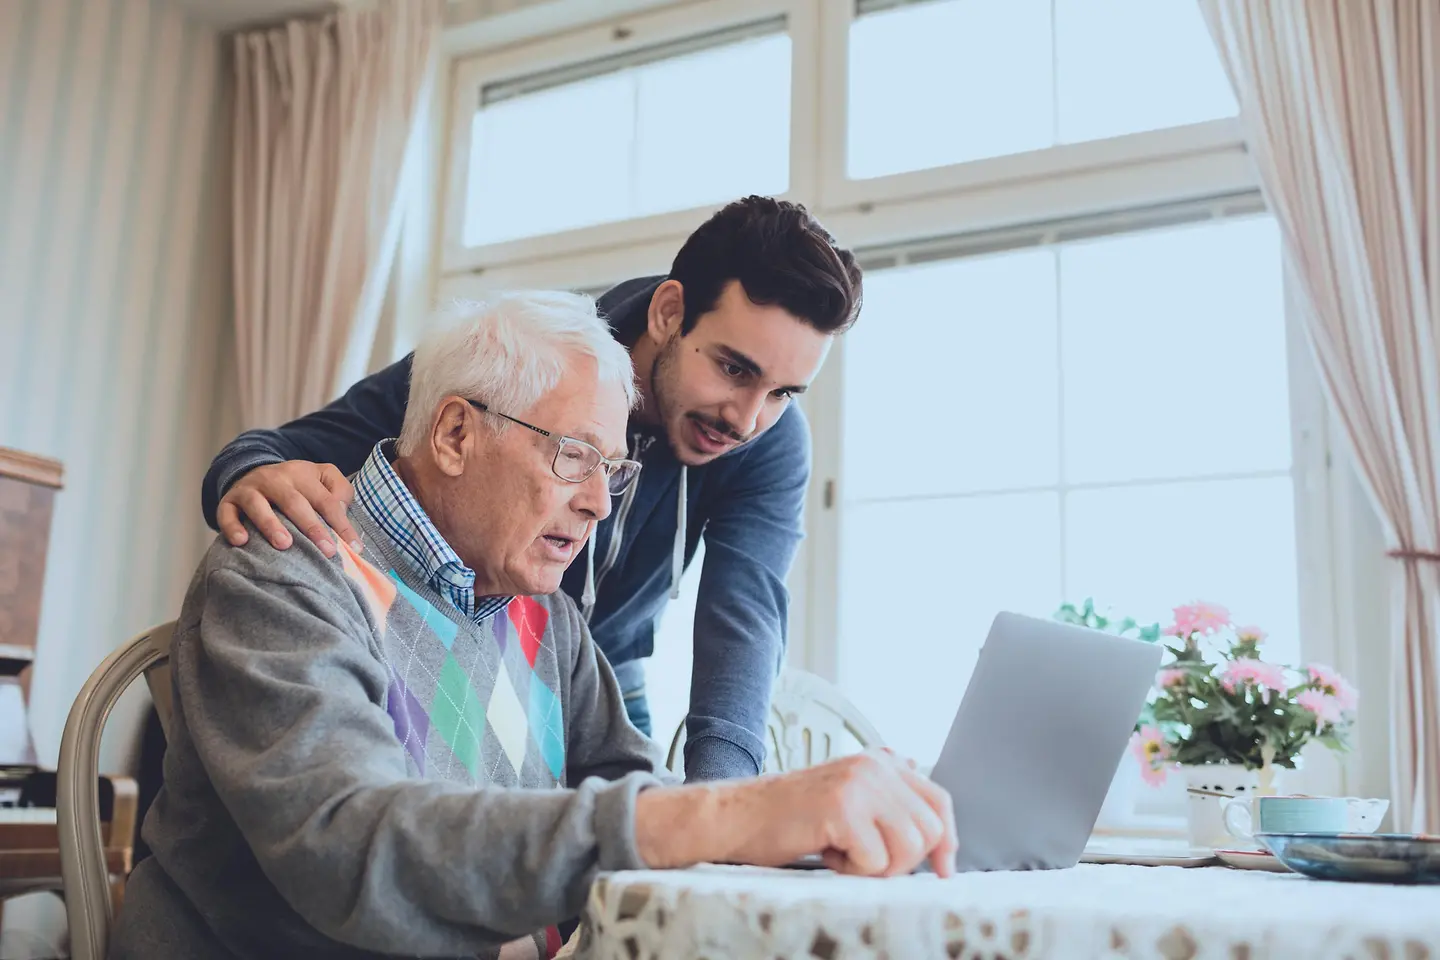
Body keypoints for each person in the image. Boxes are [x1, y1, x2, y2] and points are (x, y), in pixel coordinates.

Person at [114, 293, 954, 960]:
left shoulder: (541, 611)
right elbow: (353, 848)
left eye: (613, 468)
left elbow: (633, 781)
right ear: (452, 433)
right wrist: (724, 816)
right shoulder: (284, 571)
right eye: (572, 456)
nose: (597, 503)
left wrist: (779, 834)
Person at [201, 195, 862, 782]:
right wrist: (250, 474)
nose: (747, 419)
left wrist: (722, 805)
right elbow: (285, 450)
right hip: (468, 649)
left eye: (782, 392)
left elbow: (744, 617)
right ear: (669, 313)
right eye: (733, 368)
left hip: (598, 676)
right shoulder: (532, 363)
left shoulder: (768, 440)